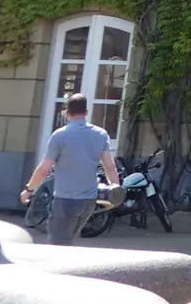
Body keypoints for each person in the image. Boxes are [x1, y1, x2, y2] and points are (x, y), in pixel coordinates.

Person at [19, 95, 120, 245]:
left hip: (66, 199)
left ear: (68, 112)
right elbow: (109, 166)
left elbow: (44, 169)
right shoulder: (100, 134)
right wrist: (116, 190)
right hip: (89, 201)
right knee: (69, 241)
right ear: (86, 112)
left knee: (58, 245)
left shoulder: (60, 135)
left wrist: (28, 189)